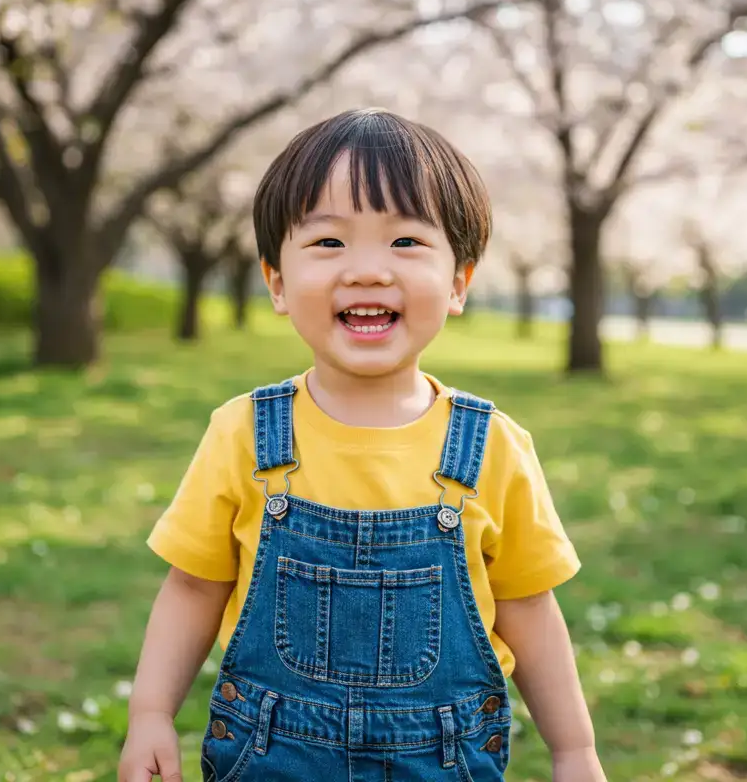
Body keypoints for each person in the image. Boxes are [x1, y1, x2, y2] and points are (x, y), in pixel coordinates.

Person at [119, 109, 606, 782]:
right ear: (278, 283)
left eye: (406, 241)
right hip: (270, 761)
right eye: (328, 243)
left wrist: (575, 750)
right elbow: (194, 586)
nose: (369, 271)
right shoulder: (243, 434)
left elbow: (528, 607)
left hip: (440, 764)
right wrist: (150, 713)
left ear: (459, 281)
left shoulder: (490, 444)